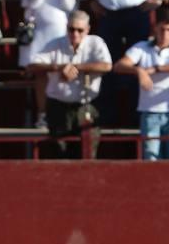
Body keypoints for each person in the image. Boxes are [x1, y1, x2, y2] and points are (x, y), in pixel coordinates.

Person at [79, 0, 169, 124]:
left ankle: (135, 115)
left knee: (138, 62)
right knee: (107, 65)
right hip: (108, 14)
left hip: (137, 13)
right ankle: (108, 115)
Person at [2, 0, 78, 128]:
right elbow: (28, 3)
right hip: (38, 34)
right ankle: (42, 115)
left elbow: (71, 6)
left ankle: (63, 115)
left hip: (60, 32)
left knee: (62, 73)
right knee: (42, 75)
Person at [28, 10, 111, 158]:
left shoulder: (95, 42)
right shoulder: (56, 43)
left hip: (87, 105)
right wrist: (59, 68)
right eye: (71, 29)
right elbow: (32, 66)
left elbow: (106, 66)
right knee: (60, 153)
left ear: (88, 30)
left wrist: (75, 67)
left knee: (87, 153)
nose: (75, 34)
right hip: (59, 106)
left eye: (80, 30)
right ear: (66, 28)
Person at [114, 7, 169, 160]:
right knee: (151, 158)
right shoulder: (142, 47)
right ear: (155, 27)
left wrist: (156, 68)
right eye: (162, 29)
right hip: (150, 111)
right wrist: (140, 71)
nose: (164, 34)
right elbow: (119, 66)